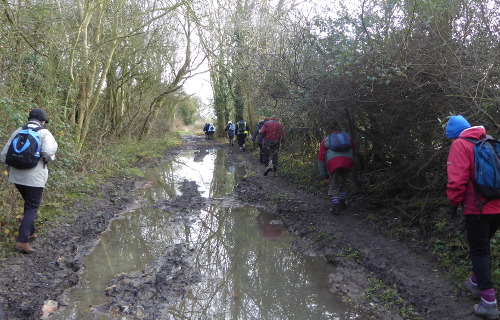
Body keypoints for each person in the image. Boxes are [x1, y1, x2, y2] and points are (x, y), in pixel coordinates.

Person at [445, 115, 500, 319]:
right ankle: (475, 283)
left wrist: (453, 203)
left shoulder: (460, 145)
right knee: (483, 247)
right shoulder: (489, 141)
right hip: (497, 205)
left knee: (479, 252)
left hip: (477, 207)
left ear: (454, 135)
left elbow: (457, 180)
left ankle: (489, 302)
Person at [0, 108, 58, 253]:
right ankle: (22, 241)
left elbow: (3, 155)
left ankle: (30, 232)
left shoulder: (18, 131)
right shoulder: (44, 133)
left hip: (16, 177)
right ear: (43, 121)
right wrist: (47, 159)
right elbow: (49, 152)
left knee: (29, 203)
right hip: (35, 177)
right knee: (32, 207)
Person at [318, 130, 355, 215]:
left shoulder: (326, 140)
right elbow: (354, 150)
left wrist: (324, 175)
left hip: (333, 163)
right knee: (345, 182)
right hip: (348, 161)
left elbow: (321, 158)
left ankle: (335, 206)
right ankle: (342, 202)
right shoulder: (348, 138)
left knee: (333, 185)